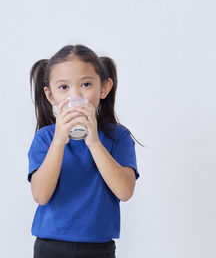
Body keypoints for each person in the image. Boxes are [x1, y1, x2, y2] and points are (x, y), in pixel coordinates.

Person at [27, 44, 142, 258]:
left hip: (99, 249)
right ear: (50, 95)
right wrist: (59, 141)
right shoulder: (45, 138)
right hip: (51, 247)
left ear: (104, 88)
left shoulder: (118, 138)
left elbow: (125, 192)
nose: (75, 95)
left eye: (86, 84)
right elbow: (41, 195)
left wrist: (94, 142)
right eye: (63, 87)